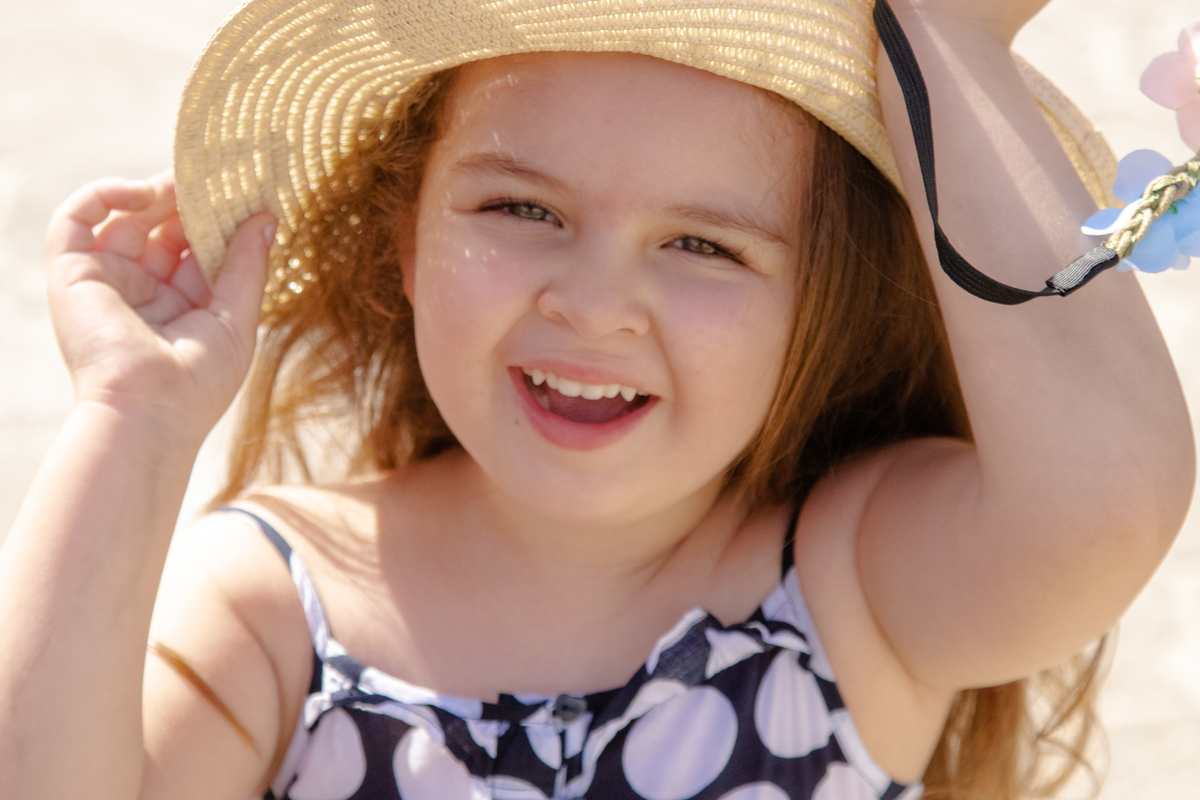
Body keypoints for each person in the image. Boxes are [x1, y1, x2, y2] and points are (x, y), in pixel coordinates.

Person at [0, 0, 1193, 798]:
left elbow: (1101, 502)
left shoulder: (849, 583)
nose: (594, 303)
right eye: (522, 209)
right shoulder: (277, 605)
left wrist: (940, 37)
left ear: (817, 307)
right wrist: (133, 420)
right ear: (406, 235)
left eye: (705, 245)